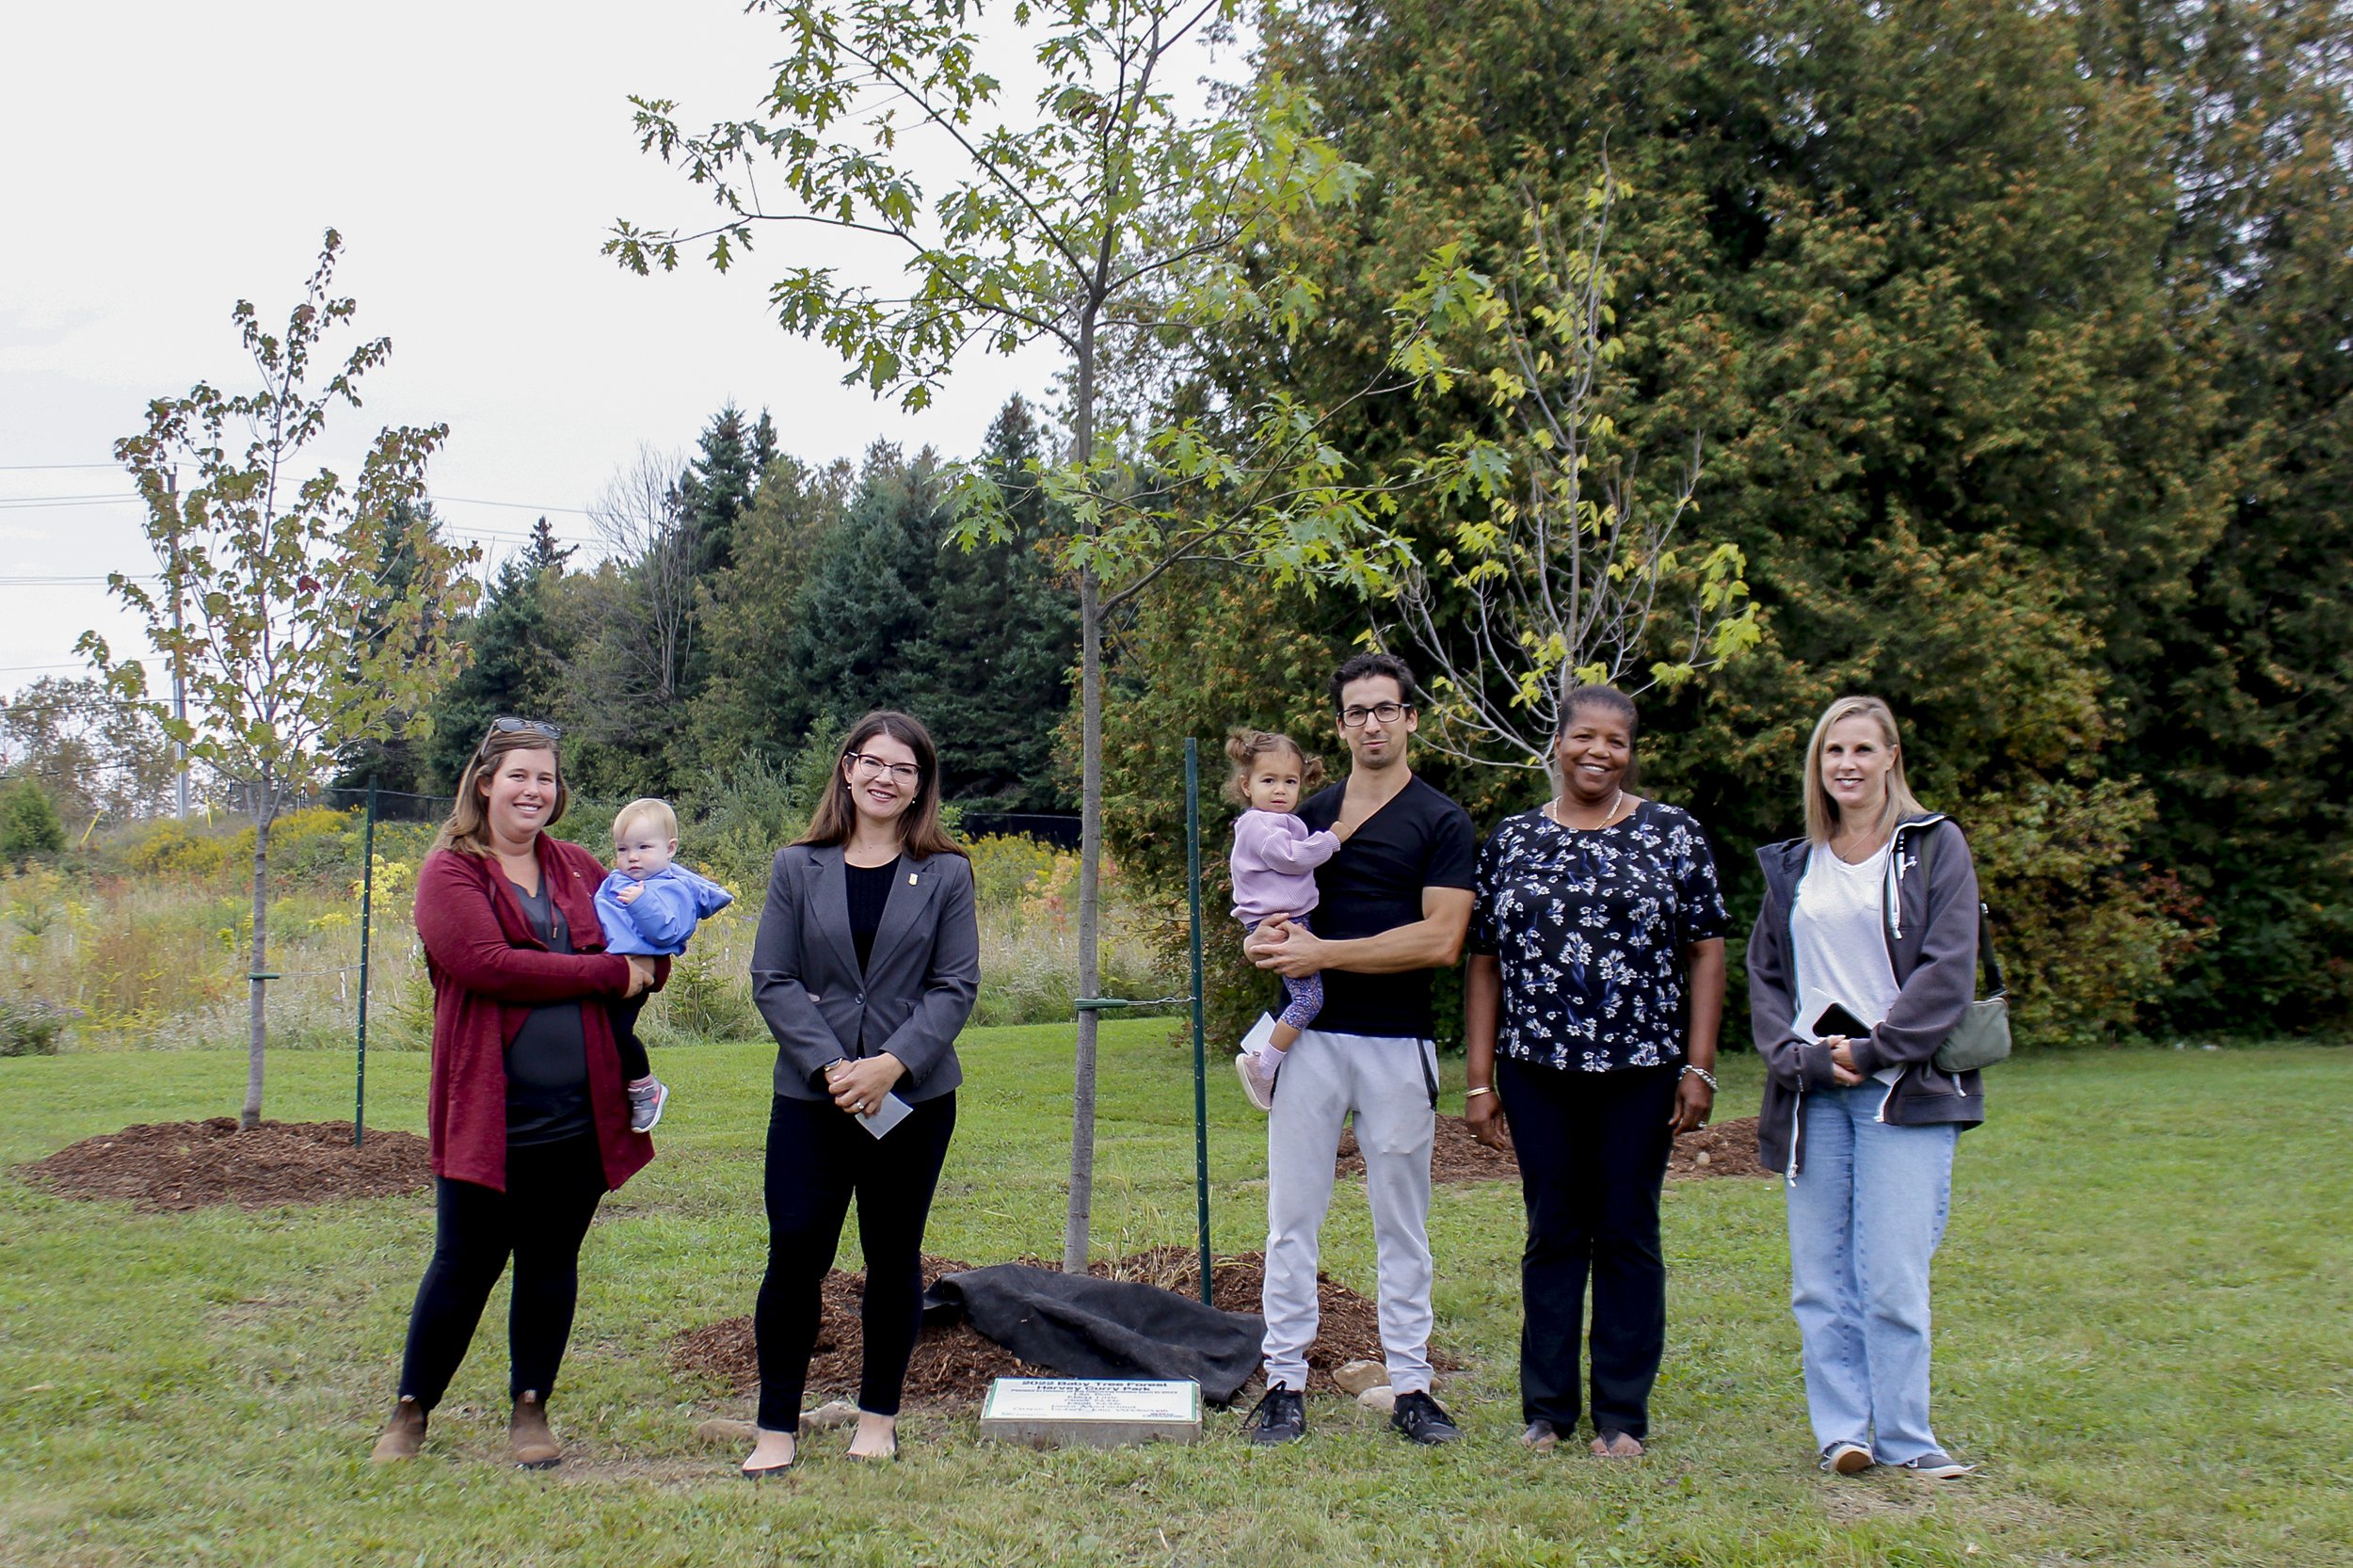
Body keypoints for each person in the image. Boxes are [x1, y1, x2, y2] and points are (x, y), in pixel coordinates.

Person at [372, 717, 663, 1468]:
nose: (534, 790)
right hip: (490, 1115)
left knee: (550, 1263)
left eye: (546, 777)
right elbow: (489, 965)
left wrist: (648, 962)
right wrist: (606, 973)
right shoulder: (451, 873)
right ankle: (412, 1411)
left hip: (579, 1117)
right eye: (519, 776)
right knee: (463, 1263)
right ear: (484, 782)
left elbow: (647, 938)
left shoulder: (577, 865)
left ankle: (531, 1408)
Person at [1462, 687, 1727, 1458]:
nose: (1598, 753)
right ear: (1558, 743)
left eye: (1615, 741)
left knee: (1627, 1234)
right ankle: (1545, 1413)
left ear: (1630, 750)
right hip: (1536, 1069)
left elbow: (1706, 948)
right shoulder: (1512, 839)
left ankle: (1621, 1417)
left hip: (1640, 1069)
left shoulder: (1671, 833)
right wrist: (1480, 1082)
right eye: (1585, 737)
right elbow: (1484, 963)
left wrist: (1698, 1066)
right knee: (1552, 1233)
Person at [1747, 695, 1988, 1480]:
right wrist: (1803, 1058)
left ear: (1891, 758)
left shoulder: (1933, 846)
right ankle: (1843, 1434)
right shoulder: (1794, 863)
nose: (1846, 765)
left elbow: (1949, 968)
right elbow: (1768, 976)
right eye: (1831, 752)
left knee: (1890, 1275)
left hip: (1903, 1091)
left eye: (1861, 749)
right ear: (1818, 767)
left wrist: (1878, 1049)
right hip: (1815, 1093)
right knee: (1820, 1280)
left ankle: (1910, 1439)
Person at [1244, 653, 1477, 1447]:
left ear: (1412, 718)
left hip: (1397, 1042)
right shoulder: (1303, 814)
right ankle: (1283, 1384)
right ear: (1339, 725)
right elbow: (1270, 909)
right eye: (1357, 712)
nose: (1372, 723)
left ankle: (1411, 1383)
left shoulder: (1441, 820)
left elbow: (1442, 938)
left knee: (1400, 1222)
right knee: (1291, 1218)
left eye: (1387, 709)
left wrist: (1325, 956)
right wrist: (1265, 945)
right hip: (1309, 1041)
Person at [739, 712, 979, 1476]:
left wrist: (891, 1065)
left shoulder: (947, 873)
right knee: (795, 1253)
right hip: (814, 1099)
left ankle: (878, 1416)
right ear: (846, 769)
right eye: (872, 762)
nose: (886, 777)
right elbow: (771, 980)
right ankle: (776, 1426)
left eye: (904, 769)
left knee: (892, 1255)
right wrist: (836, 1068)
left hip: (912, 1100)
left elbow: (955, 985)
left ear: (920, 786)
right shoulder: (795, 867)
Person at [1225, 728, 1356, 1112]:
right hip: (1280, 923)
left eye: (1290, 781)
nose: (1280, 790)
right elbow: (1292, 859)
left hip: (1286, 919)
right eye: (1269, 781)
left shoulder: (1280, 821)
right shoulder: (1259, 825)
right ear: (1246, 786)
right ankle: (1262, 1065)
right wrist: (1332, 840)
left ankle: (1266, 1057)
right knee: (1309, 999)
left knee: (1307, 996)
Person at [594, 795, 734, 1131]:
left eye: (643, 847)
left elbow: (668, 930)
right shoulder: (622, 881)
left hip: (636, 972)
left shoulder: (671, 888)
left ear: (669, 848)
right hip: (609, 968)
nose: (632, 857)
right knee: (597, 1032)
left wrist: (641, 903)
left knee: (615, 1031)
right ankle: (615, 1092)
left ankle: (645, 1086)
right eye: (623, 849)